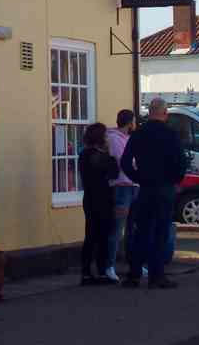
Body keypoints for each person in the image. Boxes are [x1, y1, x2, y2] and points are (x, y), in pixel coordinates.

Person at [121, 98, 186, 289]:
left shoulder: (139, 133)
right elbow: (181, 163)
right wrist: (175, 181)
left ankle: (134, 275)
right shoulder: (171, 134)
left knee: (141, 232)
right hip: (165, 187)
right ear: (164, 113)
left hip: (146, 188)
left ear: (149, 112)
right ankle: (157, 276)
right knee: (161, 232)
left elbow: (125, 162)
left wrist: (138, 177)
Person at [78, 122, 120, 285]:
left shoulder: (85, 154)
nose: (108, 138)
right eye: (106, 136)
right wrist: (110, 155)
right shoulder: (97, 156)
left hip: (91, 199)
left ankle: (88, 272)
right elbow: (114, 172)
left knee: (92, 235)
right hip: (100, 199)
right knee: (100, 236)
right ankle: (99, 271)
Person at [105, 109, 138, 281]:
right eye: (133, 120)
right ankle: (109, 266)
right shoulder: (114, 138)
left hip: (133, 185)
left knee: (132, 228)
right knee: (117, 229)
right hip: (121, 187)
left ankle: (134, 265)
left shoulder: (128, 138)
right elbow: (123, 159)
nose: (135, 123)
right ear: (129, 122)